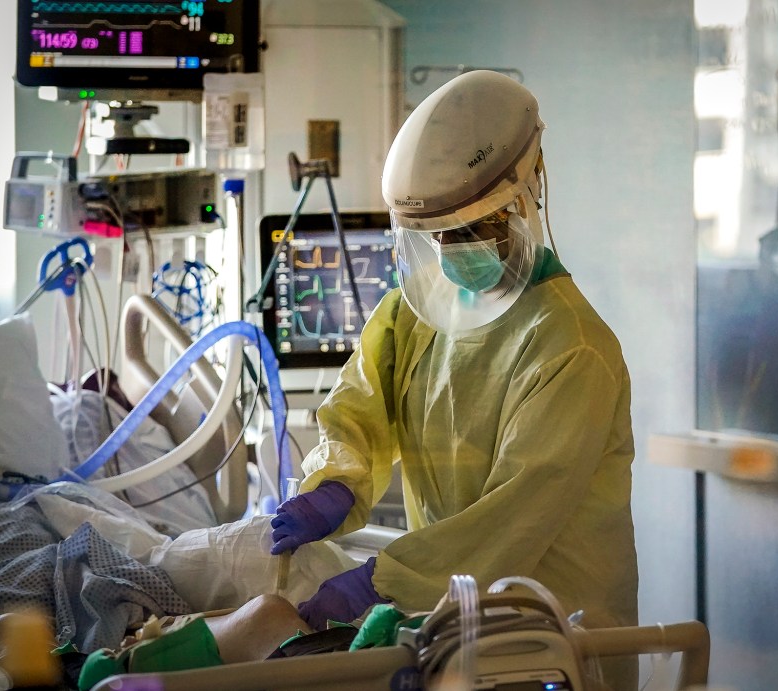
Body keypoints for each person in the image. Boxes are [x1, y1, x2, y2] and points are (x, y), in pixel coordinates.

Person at [271, 70, 639, 689]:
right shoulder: (419, 310)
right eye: (436, 235)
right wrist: (336, 479)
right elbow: (361, 399)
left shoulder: (571, 348)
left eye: (472, 229)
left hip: (555, 631)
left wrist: (381, 582)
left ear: (524, 201)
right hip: (448, 618)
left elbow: (512, 515)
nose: (451, 248)